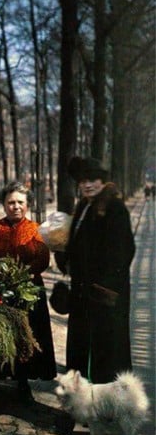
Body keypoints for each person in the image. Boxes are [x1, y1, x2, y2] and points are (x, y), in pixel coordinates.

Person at [0, 181, 57, 402]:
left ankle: (23, 381)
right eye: (11, 202)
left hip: (28, 289)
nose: (16, 207)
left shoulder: (35, 230)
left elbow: (42, 258)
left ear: (28, 205)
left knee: (27, 334)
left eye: (20, 202)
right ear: (3, 205)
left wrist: (20, 275)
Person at [56, 157, 135, 383]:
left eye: (93, 180)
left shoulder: (114, 208)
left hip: (105, 294)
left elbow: (124, 251)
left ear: (102, 182)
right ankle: (80, 403)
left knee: (107, 351)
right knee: (80, 348)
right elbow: (78, 243)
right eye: (82, 181)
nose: (87, 185)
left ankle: (108, 406)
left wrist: (104, 286)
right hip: (82, 291)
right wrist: (64, 255)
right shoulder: (84, 206)